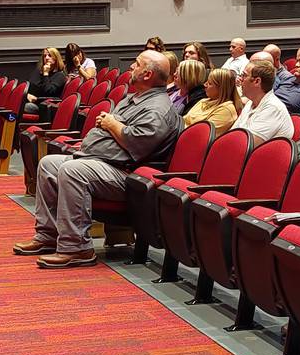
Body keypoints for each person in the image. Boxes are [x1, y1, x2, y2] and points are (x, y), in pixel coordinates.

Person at [13, 50, 180, 268]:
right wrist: (113, 127)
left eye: (136, 64)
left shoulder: (157, 108)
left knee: (73, 170)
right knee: (49, 164)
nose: (130, 67)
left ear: (147, 74)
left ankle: (77, 248)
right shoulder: (135, 97)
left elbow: (137, 143)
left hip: (128, 175)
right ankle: (48, 235)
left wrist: (113, 125)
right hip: (106, 163)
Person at [235, 56, 294, 141]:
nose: (240, 79)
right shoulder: (251, 103)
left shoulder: (273, 108)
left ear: (257, 81)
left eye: (244, 75)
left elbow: (246, 145)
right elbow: (232, 133)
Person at [184, 67, 242, 131]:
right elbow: (184, 119)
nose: (205, 85)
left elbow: (202, 134)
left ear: (221, 89)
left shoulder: (226, 110)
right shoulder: (203, 101)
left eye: (210, 83)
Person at [24, 46, 67, 116]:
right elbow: (29, 86)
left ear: (56, 58)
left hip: (42, 105)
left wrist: (46, 74)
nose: (46, 58)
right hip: (30, 100)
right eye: (44, 56)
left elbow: (48, 92)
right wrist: (26, 95)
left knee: (19, 107)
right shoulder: (38, 72)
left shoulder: (60, 76)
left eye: (50, 55)